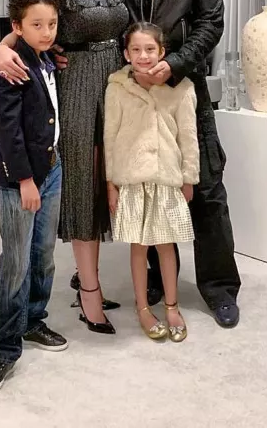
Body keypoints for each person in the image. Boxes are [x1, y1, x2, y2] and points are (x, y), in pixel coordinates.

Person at [99, 0, 242, 328]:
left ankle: (220, 287)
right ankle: (161, 283)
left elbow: (211, 22)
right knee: (149, 188)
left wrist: (174, 64)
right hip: (136, 93)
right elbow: (97, 16)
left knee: (206, 188)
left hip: (183, 89)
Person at [0, 0, 130, 334]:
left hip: (115, 86)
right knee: (83, 188)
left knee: (108, 183)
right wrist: (0, 48)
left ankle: (83, 280)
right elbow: (25, 24)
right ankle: (89, 292)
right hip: (76, 92)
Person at [0, 0, 68, 396]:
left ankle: (33, 320)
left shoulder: (48, 58)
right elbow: (9, 132)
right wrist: (25, 180)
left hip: (52, 168)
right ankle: (4, 348)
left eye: (52, 23)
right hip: (22, 179)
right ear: (17, 26)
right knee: (16, 262)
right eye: (36, 25)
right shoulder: (10, 67)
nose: (47, 32)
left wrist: (47, 172)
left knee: (44, 255)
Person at [104, 22, 199, 343]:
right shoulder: (117, 88)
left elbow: (189, 137)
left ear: (162, 52)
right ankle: (143, 307)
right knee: (139, 245)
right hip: (132, 180)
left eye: (149, 49)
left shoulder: (181, 88)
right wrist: (111, 183)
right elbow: (110, 137)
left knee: (166, 245)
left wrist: (189, 178)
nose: (143, 56)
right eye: (136, 49)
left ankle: (172, 306)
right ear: (126, 54)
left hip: (167, 178)